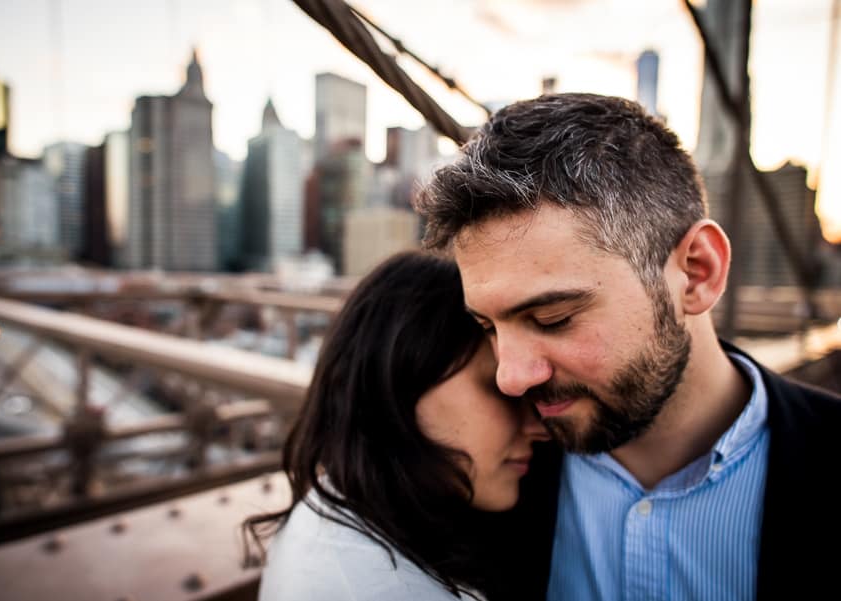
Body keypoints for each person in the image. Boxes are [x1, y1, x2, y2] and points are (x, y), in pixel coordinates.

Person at [415, 93, 841, 600]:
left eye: (554, 318)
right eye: (488, 326)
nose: (511, 377)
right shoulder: (486, 477)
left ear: (697, 273)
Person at [245, 251, 548, 600]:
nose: (539, 427)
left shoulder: (346, 518)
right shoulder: (382, 588)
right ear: (396, 383)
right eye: (501, 388)